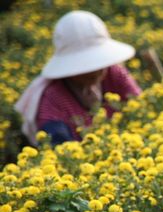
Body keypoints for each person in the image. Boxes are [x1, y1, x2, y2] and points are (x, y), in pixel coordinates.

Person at [14, 10, 141, 147]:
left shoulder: (114, 73)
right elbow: (59, 150)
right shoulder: (53, 98)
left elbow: (141, 107)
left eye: (99, 62)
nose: (95, 71)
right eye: (85, 67)